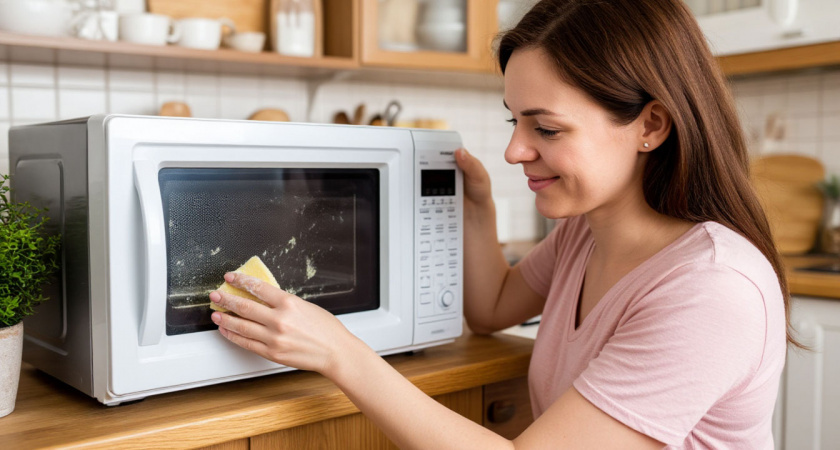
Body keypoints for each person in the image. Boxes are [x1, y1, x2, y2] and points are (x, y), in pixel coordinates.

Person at [208, 0, 793, 447]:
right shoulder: (585, 234)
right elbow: (490, 308)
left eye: (546, 129)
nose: (515, 150)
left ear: (651, 126)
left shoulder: (712, 288)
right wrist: (478, 206)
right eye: (515, 121)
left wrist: (341, 352)